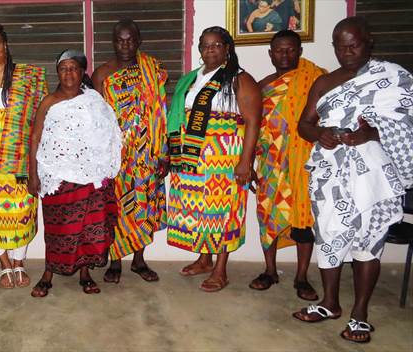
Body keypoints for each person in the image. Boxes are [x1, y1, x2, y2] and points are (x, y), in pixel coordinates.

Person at [293, 17, 413, 344]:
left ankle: (360, 313)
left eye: (353, 45)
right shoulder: (324, 83)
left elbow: (407, 125)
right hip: (330, 174)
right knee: (329, 235)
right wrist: (320, 133)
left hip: (373, 177)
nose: (346, 52)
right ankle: (330, 303)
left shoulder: (392, 78)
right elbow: (303, 125)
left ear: (369, 41)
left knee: (368, 240)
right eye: (339, 46)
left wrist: (373, 132)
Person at [166, 26, 261, 292]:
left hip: (223, 158)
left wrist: (246, 162)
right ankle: (204, 259)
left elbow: (253, 122)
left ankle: (221, 269)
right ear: (200, 49)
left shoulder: (240, 79)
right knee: (200, 211)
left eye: (217, 45)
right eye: (205, 45)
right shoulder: (193, 78)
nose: (210, 49)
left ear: (227, 48)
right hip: (193, 156)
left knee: (223, 212)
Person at [28, 50, 121, 297]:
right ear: (57, 72)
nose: (68, 73)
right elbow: (35, 137)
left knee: (87, 228)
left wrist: (103, 167)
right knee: (58, 229)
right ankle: (48, 274)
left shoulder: (94, 100)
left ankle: (85, 274)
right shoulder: (49, 102)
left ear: (82, 72)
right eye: (63, 68)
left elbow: (107, 134)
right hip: (57, 177)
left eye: (73, 68)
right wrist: (32, 174)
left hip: (90, 176)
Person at [249, 30, 325, 300]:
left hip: (304, 165)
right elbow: (250, 125)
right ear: (270, 54)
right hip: (270, 164)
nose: (285, 55)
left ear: (300, 52)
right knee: (267, 216)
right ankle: (270, 271)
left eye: (291, 50)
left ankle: (302, 277)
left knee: (303, 222)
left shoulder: (316, 80)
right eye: (279, 50)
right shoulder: (261, 86)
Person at [91, 19, 168, 283]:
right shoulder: (101, 74)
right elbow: (96, 119)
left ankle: (138, 260)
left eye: (130, 39)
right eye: (120, 40)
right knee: (117, 208)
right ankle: (115, 262)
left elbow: (162, 113)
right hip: (116, 155)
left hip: (147, 153)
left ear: (138, 41)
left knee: (143, 207)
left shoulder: (152, 69)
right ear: (112, 42)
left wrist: (164, 153)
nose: (125, 45)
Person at [0, 22, 47, 289]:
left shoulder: (27, 77)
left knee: (22, 209)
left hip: (20, 157)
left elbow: (41, 117)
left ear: (6, 46)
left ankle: (19, 262)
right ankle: (3, 264)